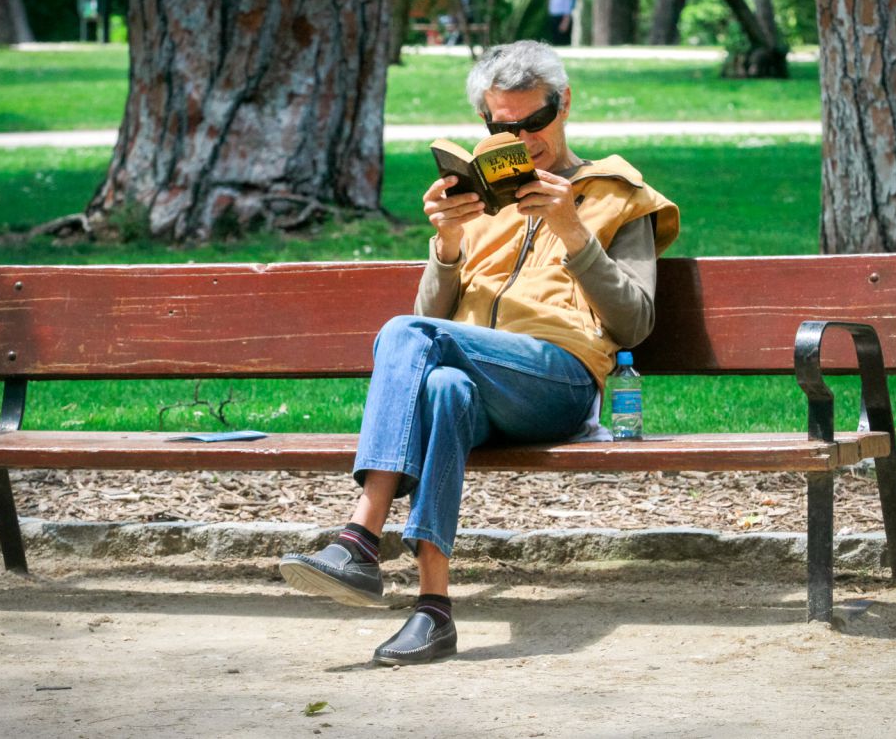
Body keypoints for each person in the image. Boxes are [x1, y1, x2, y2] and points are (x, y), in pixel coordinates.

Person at [279, 40, 679, 665]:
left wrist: (573, 231)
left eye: (534, 121)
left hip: (561, 380)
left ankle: (359, 537)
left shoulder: (620, 194)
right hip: (481, 382)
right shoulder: (482, 198)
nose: (522, 140)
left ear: (563, 104)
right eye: (502, 128)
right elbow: (434, 318)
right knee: (444, 389)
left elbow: (634, 323)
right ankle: (434, 610)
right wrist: (446, 245)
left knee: (404, 333)